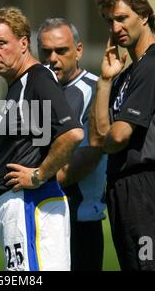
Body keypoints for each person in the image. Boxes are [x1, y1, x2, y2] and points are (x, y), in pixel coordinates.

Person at [90, 0, 155, 270]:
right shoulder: (126, 73)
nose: (116, 27)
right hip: (124, 188)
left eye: (122, 18)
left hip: (149, 190)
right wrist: (105, 82)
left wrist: (107, 138)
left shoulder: (154, 64)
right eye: (110, 21)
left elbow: (117, 135)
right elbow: (99, 135)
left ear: (143, 16)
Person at [0, 7, 84, 271]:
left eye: (1, 43)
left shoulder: (37, 78)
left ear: (24, 43)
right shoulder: (19, 84)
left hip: (31, 204)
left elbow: (72, 134)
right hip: (20, 207)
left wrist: (39, 174)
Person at [37, 18, 107, 271]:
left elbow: (88, 157)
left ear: (78, 51)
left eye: (61, 50)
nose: (52, 58)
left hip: (79, 219)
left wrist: (38, 180)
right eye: (46, 52)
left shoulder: (96, 90)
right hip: (39, 217)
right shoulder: (33, 90)